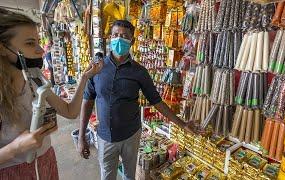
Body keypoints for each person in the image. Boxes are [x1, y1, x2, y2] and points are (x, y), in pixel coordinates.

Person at [78, 20, 193, 180]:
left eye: (124, 36)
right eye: (115, 35)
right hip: (105, 136)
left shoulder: (139, 72)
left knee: (129, 176)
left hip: (131, 136)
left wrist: (182, 124)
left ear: (132, 41)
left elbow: (157, 101)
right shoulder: (97, 68)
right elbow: (87, 101)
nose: (119, 39)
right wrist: (82, 136)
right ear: (110, 37)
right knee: (107, 176)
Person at [0, 8, 103, 179]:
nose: (41, 50)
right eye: (30, 43)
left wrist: (85, 77)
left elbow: (70, 112)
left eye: (38, 42)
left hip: (45, 163)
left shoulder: (35, 78)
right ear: (3, 48)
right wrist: (15, 148)